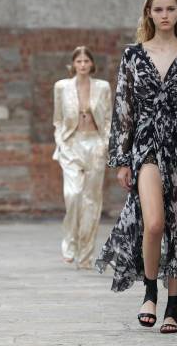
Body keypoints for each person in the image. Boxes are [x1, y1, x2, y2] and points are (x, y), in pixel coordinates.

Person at [95, 0, 177, 334]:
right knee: (154, 223)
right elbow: (123, 107)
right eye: (158, 9)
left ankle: (172, 308)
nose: (164, 15)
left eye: (170, 9)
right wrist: (122, 159)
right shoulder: (133, 55)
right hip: (146, 143)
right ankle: (150, 290)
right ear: (148, 14)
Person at [52, 46, 112, 270]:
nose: (83, 65)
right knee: (73, 194)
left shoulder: (103, 87)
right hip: (71, 143)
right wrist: (61, 141)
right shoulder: (61, 87)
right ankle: (70, 243)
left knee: (92, 201)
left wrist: (106, 145)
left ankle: (86, 254)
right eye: (79, 61)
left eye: (87, 61)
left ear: (92, 64)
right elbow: (57, 119)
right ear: (73, 64)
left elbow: (107, 119)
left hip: (95, 143)